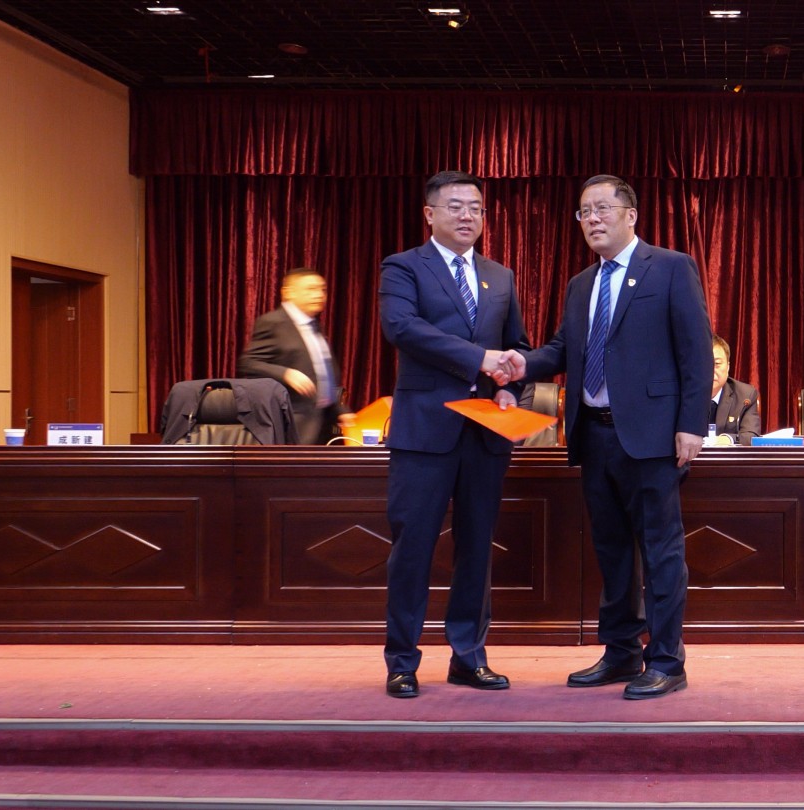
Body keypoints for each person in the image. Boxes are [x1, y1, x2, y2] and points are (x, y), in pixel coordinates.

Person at [499, 174, 712, 700]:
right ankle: (620, 652)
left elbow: (696, 350)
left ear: (630, 215)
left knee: (660, 551)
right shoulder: (581, 284)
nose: (592, 219)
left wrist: (691, 424)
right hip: (594, 435)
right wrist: (522, 363)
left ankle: (667, 660)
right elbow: (563, 349)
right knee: (612, 550)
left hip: (652, 437)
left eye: (601, 209)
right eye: (583, 212)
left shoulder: (670, 267)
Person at [377, 170, 530, 699]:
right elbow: (402, 328)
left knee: (476, 549)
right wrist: (478, 358)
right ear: (430, 214)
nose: (468, 216)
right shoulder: (403, 266)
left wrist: (512, 390)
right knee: (413, 548)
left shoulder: (500, 275)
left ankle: (469, 656)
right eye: (456, 206)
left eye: (477, 208)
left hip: (484, 434)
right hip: (424, 433)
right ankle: (402, 661)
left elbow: (517, 347)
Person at [238, 267, 349, 445]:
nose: (319, 295)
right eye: (311, 289)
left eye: (322, 289)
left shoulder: (314, 326)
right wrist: (285, 373)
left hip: (324, 424)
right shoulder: (273, 322)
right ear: (289, 292)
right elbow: (248, 363)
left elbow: (325, 376)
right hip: (293, 425)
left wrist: (341, 410)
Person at [707, 335, 762, 446]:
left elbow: (751, 435)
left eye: (717, 364)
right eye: (704, 364)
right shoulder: (680, 394)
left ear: (728, 367)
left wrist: (728, 439)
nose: (711, 370)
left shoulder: (745, 396)